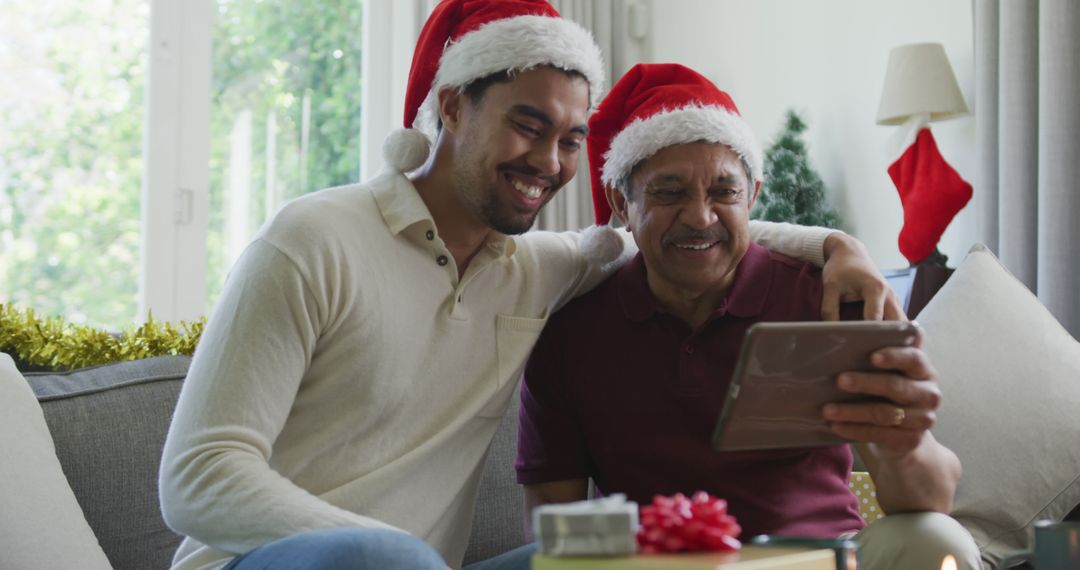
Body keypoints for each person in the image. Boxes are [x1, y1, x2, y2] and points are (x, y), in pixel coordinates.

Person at [159, 3, 900, 570]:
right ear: (452, 105)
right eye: (527, 125)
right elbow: (197, 477)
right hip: (278, 562)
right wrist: (394, 553)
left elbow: (681, 227)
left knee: (638, 562)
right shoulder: (313, 239)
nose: (549, 161)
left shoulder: (537, 269)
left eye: (572, 139)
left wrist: (840, 246)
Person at [516, 63, 982, 570]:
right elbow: (554, 522)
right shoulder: (571, 332)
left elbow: (931, 499)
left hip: (827, 559)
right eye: (670, 193)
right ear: (620, 204)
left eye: (724, 192)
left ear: (752, 197)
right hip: (662, 565)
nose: (700, 216)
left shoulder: (829, 302)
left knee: (941, 540)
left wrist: (904, 445)